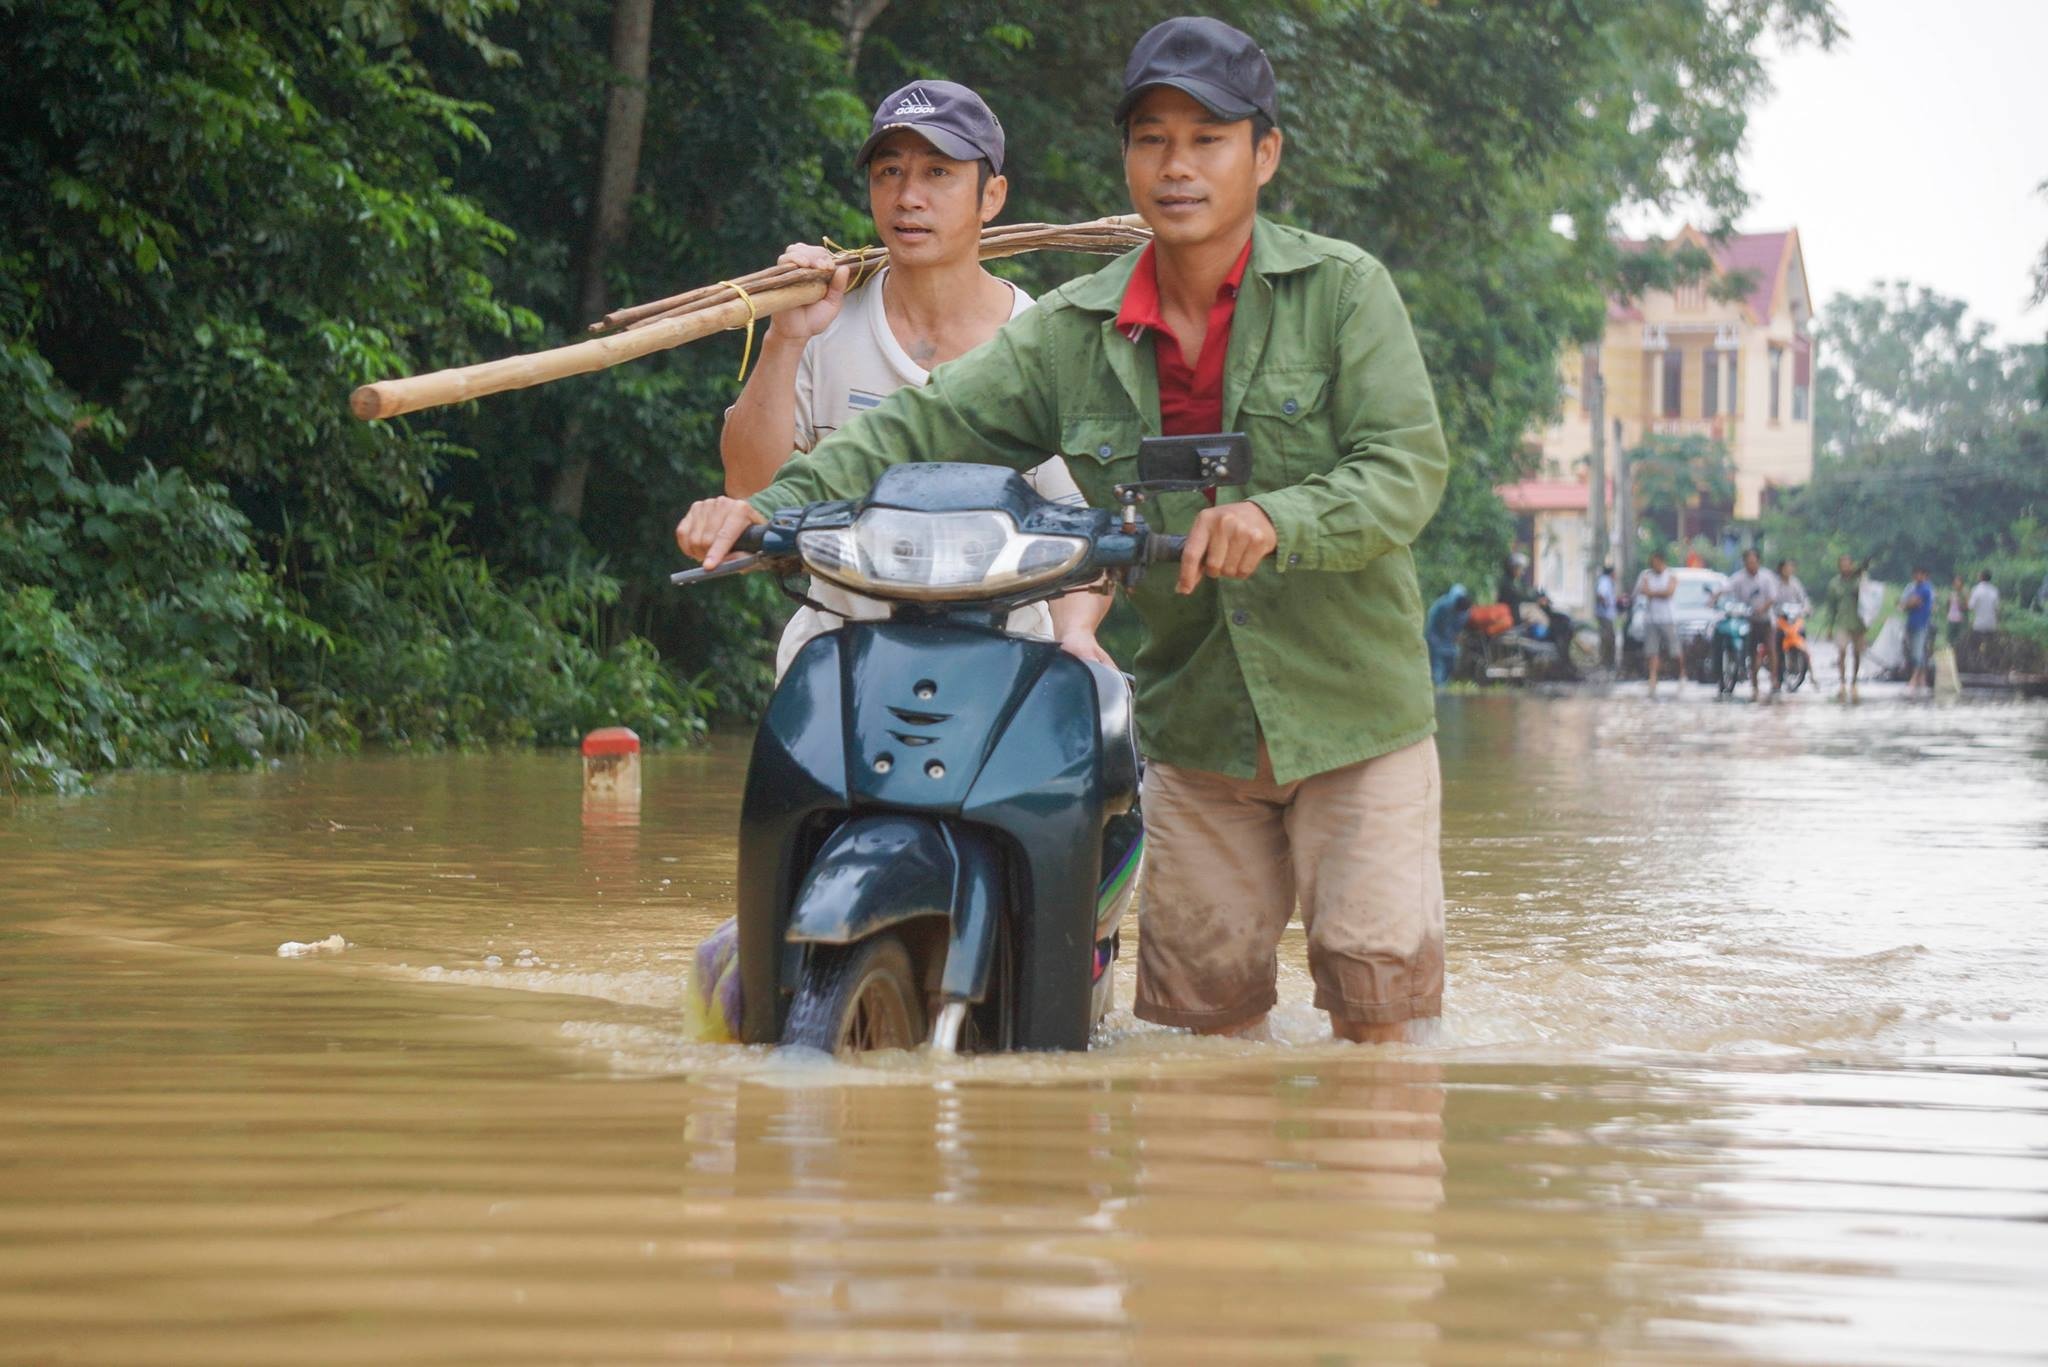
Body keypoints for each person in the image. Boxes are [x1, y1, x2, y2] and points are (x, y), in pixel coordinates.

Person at [678, 16, 1450, 1044]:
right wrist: (763, 506)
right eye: (1150, 139)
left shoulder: (1343, 291)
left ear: (1263, 154)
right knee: (1199, 1044)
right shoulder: (1068, 331)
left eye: (1206, 139)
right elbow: (919, 425)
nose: (1176, 166)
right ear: (1125, 160)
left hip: (1355, 719)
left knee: (1381, 1035)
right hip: (1201, 728)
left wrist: (1276, 516)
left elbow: (1405, 468)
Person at [717, 80, 1092, 679]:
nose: (908, 197)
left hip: (1005, 660)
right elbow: (748, 487)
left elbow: (1084, 529)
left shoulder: (1043, 343)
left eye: (938, 173)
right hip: (837, 658)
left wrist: (1076, 635)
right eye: (889, 171)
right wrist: (785, 338)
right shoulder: (825, 322)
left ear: (991, 195)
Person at [1498, 552, 1578, 679]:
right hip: (1515, 615)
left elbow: (1527, 592)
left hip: (1518, 612)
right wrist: (1536, 599)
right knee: (1548, 622)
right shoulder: (1507, 583)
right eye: (1519, 568)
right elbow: (1521, 595)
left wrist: (1536, 596)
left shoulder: (1515, 582)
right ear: (1512, 568)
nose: (1521, 571)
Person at [1716, 547, 1781, 699]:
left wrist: (1762, 608)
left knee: (1771, 649)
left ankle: (1774, 680)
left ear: (1758, 562)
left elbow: (1772, 598)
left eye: (1753, 562)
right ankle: (1755, 686)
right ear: (1744, 563)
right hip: (1748, 621)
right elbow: (1725, 588)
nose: (1751, 565)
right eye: (1748, 562)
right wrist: (1714, 597)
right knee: (1752, 653)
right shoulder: (1738, 578)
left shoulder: (1766, 577)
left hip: (1766, 620)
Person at [1632, 548, 1681, 696]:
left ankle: (1681, 675)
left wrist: (1653, 593)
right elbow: (1643, 591)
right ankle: (1653, 678)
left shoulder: (1671, 575)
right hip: (1651, 619)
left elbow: (1668, 593)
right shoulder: (1646, 576)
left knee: (1675, 650)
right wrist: (1658, 593)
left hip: (1668, 618)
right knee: (1652, 651)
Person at [1821, 554, 1866, 702]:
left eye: (1848, 564)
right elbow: (1831, 607)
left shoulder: (1859, 581)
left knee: (1857, 653)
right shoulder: (1834, 584)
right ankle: (1842, 683)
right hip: (1842, 622)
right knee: (1841, 652)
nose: (1845, 567)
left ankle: (1854, 682)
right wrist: (1829, 627)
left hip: (1858, 623)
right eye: (1843, 564)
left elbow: (1869, 600)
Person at [1424, 584, 1471, 686]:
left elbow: (1459, 627)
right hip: (1436, 638)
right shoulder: (1443, 605)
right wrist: (1432, 639)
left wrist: (1457, 637)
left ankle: (1445, 685)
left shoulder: (1464, 612)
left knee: (1451, 663)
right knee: (1438, 665)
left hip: (1450, 641)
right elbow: (1432, 620)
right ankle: (1439, 688)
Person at [1899, 566, 1936, 696]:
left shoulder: (1925, 589)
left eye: (1920, 574)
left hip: (1921, 624)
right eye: (1916, 574)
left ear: (1924, 575)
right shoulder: (1913, 588)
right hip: (1912, 623)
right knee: (1914, 651)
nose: (1917, 577)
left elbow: (1910, 603)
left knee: (1918, 652)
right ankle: (1922, 679)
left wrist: (1907, 603)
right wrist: (1907, 603)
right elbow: (1903, 604)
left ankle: (1915, 679)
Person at [1594, 563, 1618, 669]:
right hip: (1605, 615)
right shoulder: (1605, 581)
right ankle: (1607, 662)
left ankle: (1607, 662)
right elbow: (1600, 594)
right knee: (1608, 638)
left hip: (1606, 614)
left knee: (1608, 638)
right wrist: (1605, 604)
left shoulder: (1606, 581)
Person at [1968, 569, 2000, 636]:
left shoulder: (1976, 589)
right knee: (1990, 645)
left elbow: (1970, 606)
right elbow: (1997, 608)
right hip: (1991, 624)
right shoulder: (1994, 590)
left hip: (1979, 624)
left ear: (1981, 577)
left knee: (1977, 644)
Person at [1946, 572, 1967, 645]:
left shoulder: (1965, 593)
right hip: (1951, 618)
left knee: (1961, 640)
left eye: (1958, 582)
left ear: (1962, 583)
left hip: (1960, 620)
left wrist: (1959, 602)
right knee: (1950, 639)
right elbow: (1948, 606)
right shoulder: (1952, 593)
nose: (1956, 584)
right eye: (1955, 582)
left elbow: (1966, 607)